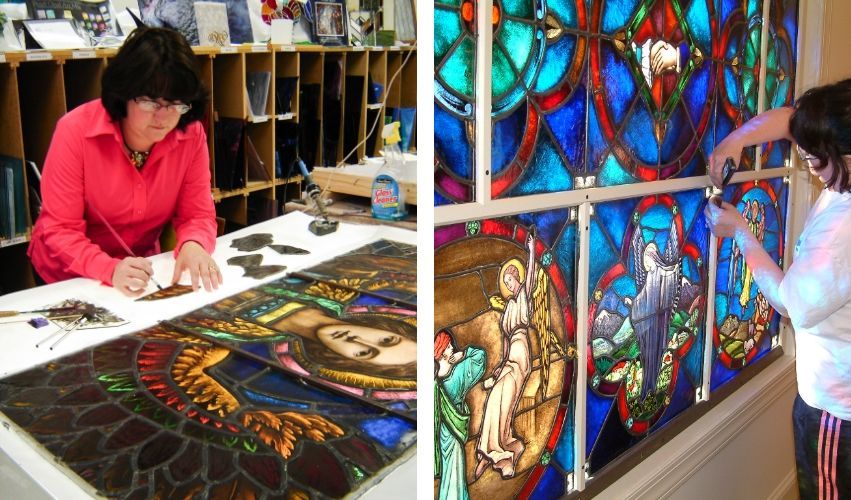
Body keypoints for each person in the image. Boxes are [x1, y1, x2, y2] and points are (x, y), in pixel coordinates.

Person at [704, 78, 851, 499]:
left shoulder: (842, 233)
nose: (808, 167)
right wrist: (736, 140)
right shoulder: (841, 166)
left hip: (835, 414)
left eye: (817, 162)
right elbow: (791, 121)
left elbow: (790, 303)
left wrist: (741, 234)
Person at [28, 27, 221, 297]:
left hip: (139, 273)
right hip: (69, 275)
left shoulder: (189, 134)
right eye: (151, 102)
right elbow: (60, 230)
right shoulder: (75, 131)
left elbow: (197, 214)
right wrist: (108, 268)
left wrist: (194, 243)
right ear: (124, 93)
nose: (164, 117)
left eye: (177, 104)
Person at [475, 232, 537, 479]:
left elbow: (531, 277)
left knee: (505, 402)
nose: (510, 285)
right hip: (510, 356)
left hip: (520, 356)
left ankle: (500, 454)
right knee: (495, 402)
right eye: (508, 282)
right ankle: (489, 452)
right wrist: (499, 368)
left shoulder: (523, 297)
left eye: (513, 280)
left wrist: (531, 252)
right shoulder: (509, 306)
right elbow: (504, 344)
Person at [434, 329, 486, 500]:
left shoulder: (434, 382)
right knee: (454, 473)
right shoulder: (457, 375)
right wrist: (464, 354)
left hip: (442, 433)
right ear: (442, 354)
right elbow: (480, 357)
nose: (453, 350)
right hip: (454, 433)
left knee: (449, 472)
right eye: (449, 347)